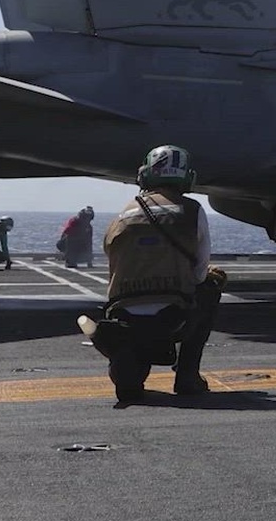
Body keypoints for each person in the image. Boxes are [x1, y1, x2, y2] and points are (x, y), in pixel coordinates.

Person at [79, 146, 222, 405]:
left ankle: (128, 368)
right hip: (172, 315)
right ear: (187, 176)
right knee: (211, 287)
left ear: (145, 174)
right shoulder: (191, 210)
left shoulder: (122, 215)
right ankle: (187, 375)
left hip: (122, 313)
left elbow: (112, 261)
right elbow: (200, 272)